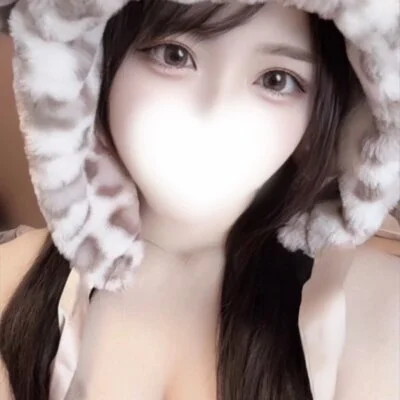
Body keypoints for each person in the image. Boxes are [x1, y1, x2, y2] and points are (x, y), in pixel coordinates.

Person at [0, 1, 399, 399]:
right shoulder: (8, 280)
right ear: (95, 62)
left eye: (276, 80)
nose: (213, 109)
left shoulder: (371, 308)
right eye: (174, 55)